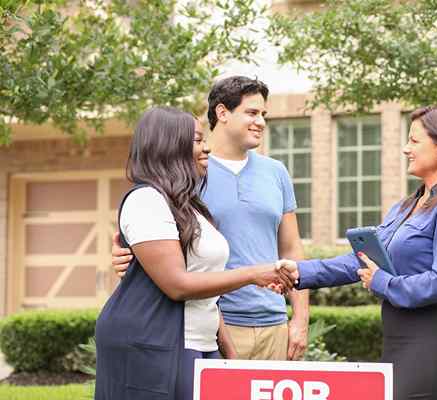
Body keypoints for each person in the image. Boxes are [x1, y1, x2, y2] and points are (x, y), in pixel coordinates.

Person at [279, 105, 437, 400]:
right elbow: (362, 261)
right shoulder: (403, 208)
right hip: (398, 342)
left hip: (433, 345)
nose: (405, 149)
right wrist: (300, 272)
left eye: (414, 141)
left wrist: (382, 282)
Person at [95, 107, 297, 400]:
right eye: (197, 140)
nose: (206, 148)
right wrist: (254, 274)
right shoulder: (146, 201)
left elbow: (207, 289)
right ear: (169, 145)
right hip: (151, 344)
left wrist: (228, 352)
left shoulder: (190, 207)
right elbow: (178, 285)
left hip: (200, 343)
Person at [111, 76, 309, 361]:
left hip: (273, 323)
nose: (261, 122)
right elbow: (156, 237)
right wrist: (127, 256)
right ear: (222, 113)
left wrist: (299, 319)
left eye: (263, 114)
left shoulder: (276, 173)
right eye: (252, 113)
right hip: (215, 324)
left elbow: (291, 248)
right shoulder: (189, 171)